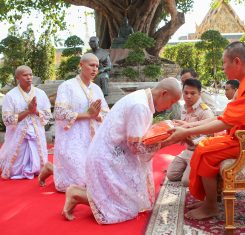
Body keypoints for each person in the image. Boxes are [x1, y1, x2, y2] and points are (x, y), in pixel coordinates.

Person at [163, 41, 245, 220]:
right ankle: (209, 200)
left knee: (206, 152)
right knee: (204, 146)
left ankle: (211, 206)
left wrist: (185, 132)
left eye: (225, 63)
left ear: (237, 62)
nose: (223, 68)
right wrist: (188, 126)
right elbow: (226, 116)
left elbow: (225, 121)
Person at [61, 77, 181, 223]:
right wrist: (169, 140)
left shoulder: (143, 98)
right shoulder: (140, 106)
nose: (169, 107)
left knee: (133, 202)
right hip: (109, 157)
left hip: (113, 153)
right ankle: (77, 195)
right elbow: (136, 148)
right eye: (172, 102)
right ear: (164, 93)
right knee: (123, 210)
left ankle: (78, 193)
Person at [38, 53, 109, 191]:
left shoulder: (97, 89)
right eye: (91, 65)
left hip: (92, 136)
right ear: (81, 65)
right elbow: (59, 113)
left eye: (97, 66)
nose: (95, 69)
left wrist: (98, 115)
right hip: (72, 136)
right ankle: (51, 168)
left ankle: (50, 168)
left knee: (92, 181)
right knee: (80, 183)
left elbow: (105, 111)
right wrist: (87, 114)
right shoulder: (67, 86)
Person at [0, 65, 51, 179]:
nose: (29, 77)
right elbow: (7, 119)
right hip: (18, 135)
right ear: (17, 77)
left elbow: (48, 114)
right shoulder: (10, 95)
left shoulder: (40, 93)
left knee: (39, 162)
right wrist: (28, 111)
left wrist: (35, 111)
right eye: (25, 75)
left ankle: (37, 169)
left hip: (36, 132)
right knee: (14, 169)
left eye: (30, 74)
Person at [167, 79, 214, 186]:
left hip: (199, 152)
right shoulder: (183, 108)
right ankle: (192, 170)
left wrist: (193, 142)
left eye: (193, 93)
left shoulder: (205, 111)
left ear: (199, 94)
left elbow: (209, 137)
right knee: (171, 175)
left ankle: (199, 171)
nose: (188, 96)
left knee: (186, 182)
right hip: (187, 151)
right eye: (186, 93)